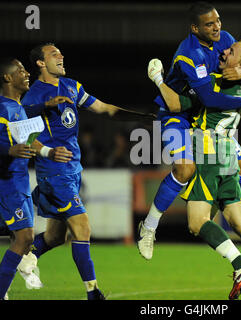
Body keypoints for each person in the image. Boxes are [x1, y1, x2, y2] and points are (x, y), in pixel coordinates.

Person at [148, 39, 241, 300]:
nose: (225, 51)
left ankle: (240, 265)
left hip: (208, 153)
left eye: (232, 51)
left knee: (197, 223)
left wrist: (158, 79)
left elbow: (177, 103)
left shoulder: (215, 83)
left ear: (239, 63)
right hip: (228, 154)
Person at [19, 42, 155, 300]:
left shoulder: (72, 86)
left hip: (72, 170)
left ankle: (25, 257)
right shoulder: (33, 95)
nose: (61, 56)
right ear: (40, 63)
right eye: (54, 54)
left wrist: (139, 116)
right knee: (82, 228)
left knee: (54, 236)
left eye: (60, 52)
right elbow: (20, 135)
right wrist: (43, 109)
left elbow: (104, 109)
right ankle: (93, 292)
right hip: (54, 172)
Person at [138, 1, 241, 261]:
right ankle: (149, 227)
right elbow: (209, 98)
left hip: (206, 118)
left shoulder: (225, 39)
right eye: (209, 24)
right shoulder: (188, 54)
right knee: (184, 168)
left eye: (218, 21)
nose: (217, 27)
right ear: (194, 28)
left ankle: (212, 207)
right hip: (178, 115)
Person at [0, 58, 73, 300]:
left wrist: (48, 152)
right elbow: (11, 145)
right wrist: (9, 151)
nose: (26, 73)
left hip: (17, 181)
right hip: (7, 181)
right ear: (7, 78)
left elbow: (29, 140)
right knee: (24, 237)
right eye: (20, 70)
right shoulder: (2, 108)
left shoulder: (19, 108)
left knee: (22, 236)